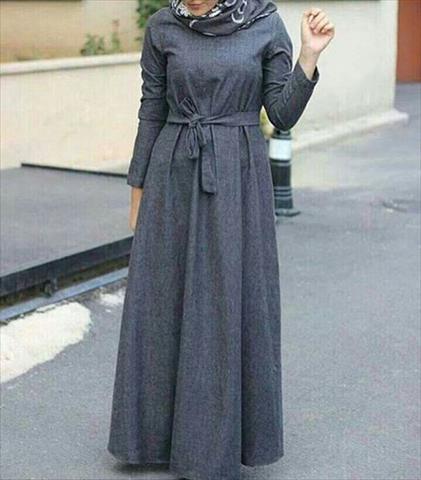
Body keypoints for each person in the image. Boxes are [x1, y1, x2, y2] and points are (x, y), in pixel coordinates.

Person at [107, 1, 334, 479]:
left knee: (227, 304)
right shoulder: (163, 27)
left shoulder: (264, 24)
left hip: (237, 176)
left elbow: (282, 113)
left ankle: (214, 443)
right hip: (172, 173)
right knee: (162, 303)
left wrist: (309, 57)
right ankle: (153, 437)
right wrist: (138, 190)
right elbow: (152, 109)